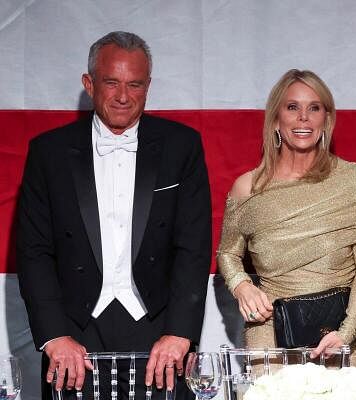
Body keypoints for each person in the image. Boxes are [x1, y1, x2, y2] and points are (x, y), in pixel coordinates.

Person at [17, 31, 211, 399]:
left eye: (135, 84)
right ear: (89, 84)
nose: (123, 97)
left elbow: (193, 247)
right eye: (112, 83)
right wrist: (54, 336)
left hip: (159, 330)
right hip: (74, 334)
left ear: (148, 86)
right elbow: (33, 251)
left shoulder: (181, 146)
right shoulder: (49, 152)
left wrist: (181, 333)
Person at [217, 69, 356, 367]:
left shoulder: (352, 178)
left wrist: (346, 332)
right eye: (293, 107)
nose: (303, 117)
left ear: (326, 119)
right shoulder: (248, 188)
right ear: (276, 119)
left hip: (341, 334)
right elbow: (228, 253)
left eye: (314, 108)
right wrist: (242, 285)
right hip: (269, 333)